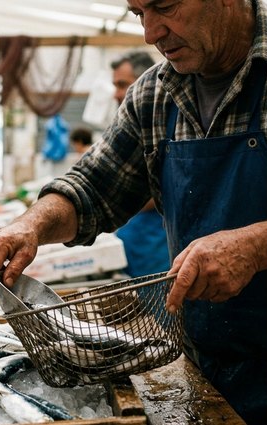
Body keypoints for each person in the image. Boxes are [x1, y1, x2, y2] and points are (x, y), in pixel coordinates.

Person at [0, 0, 267, 425]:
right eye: (138, 13)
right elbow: (91, 188)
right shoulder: (155, 94)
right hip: (207, 368)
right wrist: (30, 225)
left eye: (165, 7)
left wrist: (258, 246)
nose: (151, 33)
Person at [108, 50, 171, 278]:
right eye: (114, 85)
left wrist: (118, 195)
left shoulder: (164, 124)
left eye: (122, 84)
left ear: (145, 82)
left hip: (155, 245)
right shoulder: (129, 127)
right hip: (131, 237)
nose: (116, 93)